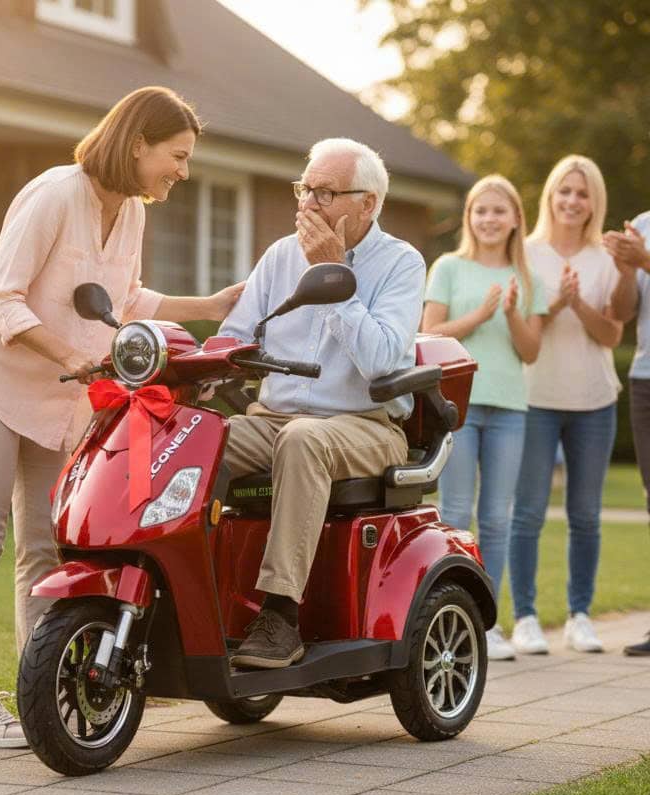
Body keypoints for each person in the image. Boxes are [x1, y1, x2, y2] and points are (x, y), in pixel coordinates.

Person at [0, 87, 244, 746]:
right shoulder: (54, 194)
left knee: (47, 545)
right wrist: (72, 355)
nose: (182, 172)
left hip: (58, 392)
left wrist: (210, 303)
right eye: (178, 156)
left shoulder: (130, 209)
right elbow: (0, 298)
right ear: (138, 143)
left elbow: (126, 296)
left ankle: (37, 692)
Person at [218, 137, 425, 669]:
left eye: (326, 193)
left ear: (368, 204)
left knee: (303, 439)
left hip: (365, 425)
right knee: (192, 439)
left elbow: (382, 362)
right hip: (272, 418)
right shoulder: (278, 256)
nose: (308, 204)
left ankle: (281, 616)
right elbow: (236, 338)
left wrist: (337, 279)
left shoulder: (402, 263)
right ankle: (183, 598)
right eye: (305, 188)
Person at [422, 175, 547, 661]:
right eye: (480, 210)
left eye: (499, 211)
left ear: (516, 218)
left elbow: (531, 351)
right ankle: (453, 616)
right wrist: (479, 315)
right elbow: (430, 332)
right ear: (470, 217)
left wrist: (512, 313)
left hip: (510, 408)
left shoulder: (525, 275)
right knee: (456, 512)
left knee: (497, 516)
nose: (490, 219)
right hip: (459, 408)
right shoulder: (450, 267)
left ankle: (488, 624)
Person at [508, 155, 623, 655]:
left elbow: (612, 333)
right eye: (564, 192)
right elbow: (522, 335)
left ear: (594, 202)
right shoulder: (526, 255)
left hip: (595, 402)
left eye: (582, 193)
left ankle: (580, 615)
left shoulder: (606, 259)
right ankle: (527, 618)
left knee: (586, 515)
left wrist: (578, 304)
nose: (572, 201)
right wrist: (555, 305)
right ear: (550, 196)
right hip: (536, 399)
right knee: (528, 513)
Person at [605, 212, 650, 656]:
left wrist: (646, 259)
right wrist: (627, 270)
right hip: (646, 378)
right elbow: (621, 312)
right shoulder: (643, 225)